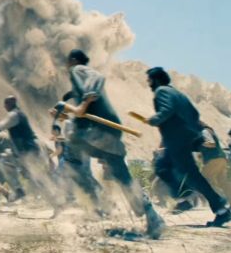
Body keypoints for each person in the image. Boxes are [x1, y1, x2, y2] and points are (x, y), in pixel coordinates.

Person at [62, 49, 164, 238]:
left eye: (68, 62)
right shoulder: (83, 74)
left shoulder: (77, 69)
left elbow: (96, 77)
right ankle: (153, 217)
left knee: (70, 158)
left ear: (73, 60)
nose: (67, 66)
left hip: (94, 129)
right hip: (109, 129)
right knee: (122, 175)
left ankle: (98, 203)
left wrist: (86, 99)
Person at [144, 67, 231, 226]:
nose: (148, 83)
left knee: (162, 168)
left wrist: (154, 119)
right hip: (185, 138)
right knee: (190, 174)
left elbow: (167, 110)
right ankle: (220, 209)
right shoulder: (179, 94)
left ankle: (185, 198)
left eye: (149, 80)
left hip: (176, 139)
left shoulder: (161, 91)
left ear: (156, 79)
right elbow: (195, 114)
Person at [0, 96, 58, 207]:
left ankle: (56, 203)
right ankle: (18, 190)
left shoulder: (14, 115)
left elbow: (0, 127)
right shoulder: (17, 114)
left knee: (37, 179)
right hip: (22, 153)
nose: (4, 106)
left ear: (8, 104)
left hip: (29, 151)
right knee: (4, 161)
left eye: (5, 104)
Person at [197, 123, 231, 210]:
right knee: (223, 181)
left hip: (213, 159)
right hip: (221, 158)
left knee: (203, 180)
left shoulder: (204, 131)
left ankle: (221, 198)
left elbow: (211, 143)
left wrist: (198, 146)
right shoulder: (209, 130)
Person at [0, 127, 24, 202]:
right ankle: (21, 199)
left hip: (3, 161)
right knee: (13, 181)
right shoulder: (9, 135)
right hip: (13, 161)